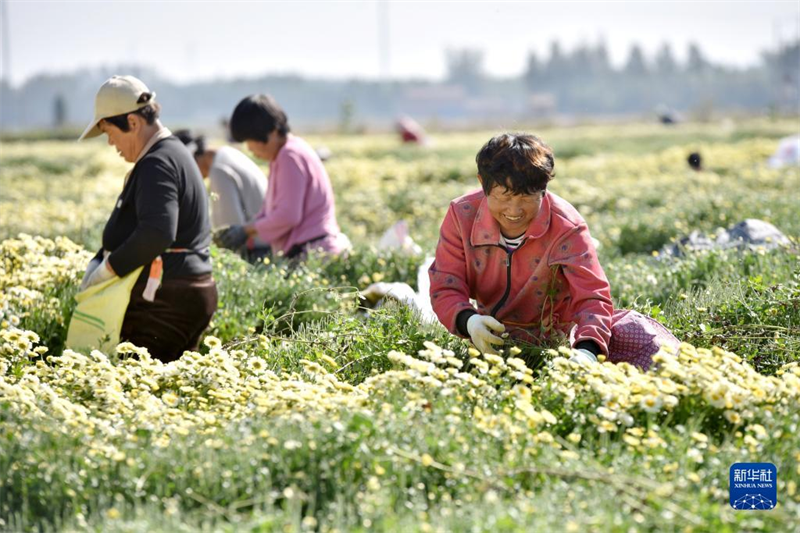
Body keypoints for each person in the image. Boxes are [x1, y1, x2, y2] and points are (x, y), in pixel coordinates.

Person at [429, 133, 679, 369]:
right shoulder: (462, 215)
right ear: (482, 183)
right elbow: (446, 284)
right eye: (503, 197)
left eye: (526, 198)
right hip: (492, 338)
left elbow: (592, 296)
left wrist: (586, 351)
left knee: (647, 347)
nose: (514, 210)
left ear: (544, 188)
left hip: (560, 341)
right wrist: (469, 321)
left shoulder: (566, 226)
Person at [77, 75, 217, 362]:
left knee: (135, 382)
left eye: (109, 132)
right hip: (182, 293)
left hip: (166, 300)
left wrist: (107, 270)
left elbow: (157, 232)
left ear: (132, 122)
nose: (110, 143)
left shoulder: (157, 163)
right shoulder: (169, 154)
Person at [215, 94, 350, 260]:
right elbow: (272, 211)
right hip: (313, 250)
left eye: (250, 141)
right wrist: (245, 229)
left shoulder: (289, 156)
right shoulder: (284, 154)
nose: (249, 148)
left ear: (271, 132)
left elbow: (288, 215)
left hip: (314, 253)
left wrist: (246, 230)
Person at [175, 130, 271, 262]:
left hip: (260, 249)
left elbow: (228, 227)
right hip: (268, 238)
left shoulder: (219, 170)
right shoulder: (226, 153)